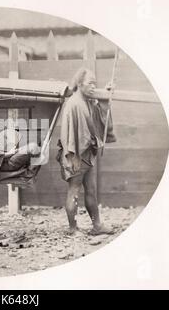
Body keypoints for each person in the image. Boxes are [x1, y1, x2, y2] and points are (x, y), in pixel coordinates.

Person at [57, 67, 116, 236]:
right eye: (90, 83)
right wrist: (72, 156)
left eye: (94, 84)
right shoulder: (73, 103)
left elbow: (100, 117)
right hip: (75, 154)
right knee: (74, 190)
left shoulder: (88, 101)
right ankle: (73, 229)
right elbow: (67, 134)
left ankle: (97, 226)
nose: (93, 87)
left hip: (88, 154)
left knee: (91, 190)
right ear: (80, 84)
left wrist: (107, 93)